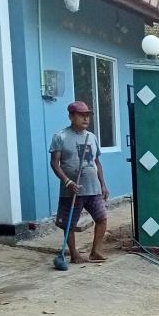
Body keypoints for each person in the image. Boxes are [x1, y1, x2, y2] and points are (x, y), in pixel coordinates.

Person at [49, 101, 110, 263]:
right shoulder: (60, 137)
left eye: (87, 115)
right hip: (72, 190)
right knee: (69, 224)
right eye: (81, 115)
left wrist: (103, 184)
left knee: (102, 219)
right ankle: (74, 254)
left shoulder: (92, 137)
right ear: (71, 116)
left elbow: (97, 162)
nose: (86, 118)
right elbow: (54, 163)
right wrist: (67, 181)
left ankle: (95, 251)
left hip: (93, 189)